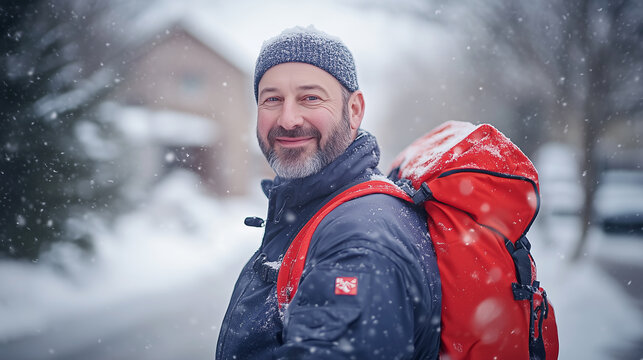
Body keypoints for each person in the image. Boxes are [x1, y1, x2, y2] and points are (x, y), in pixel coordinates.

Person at [216, 26, 441, 360]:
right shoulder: (318, 211)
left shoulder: (360, 243)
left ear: (354, 110)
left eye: (310, 98)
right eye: (272, 99)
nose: (288, 119)